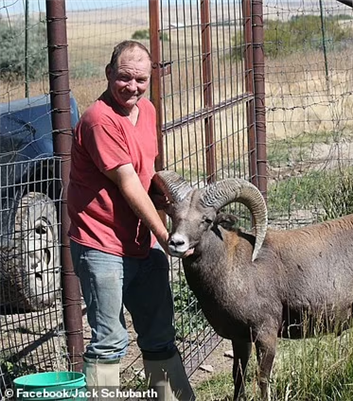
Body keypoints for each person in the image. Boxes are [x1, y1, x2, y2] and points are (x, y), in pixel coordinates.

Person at [67, 40, 195, 401]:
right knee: (109, 341)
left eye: (141, 79)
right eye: (124, 78)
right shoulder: (99, 120)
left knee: (159, 334)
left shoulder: (147, 110)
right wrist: (164, 233)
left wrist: (172, 206)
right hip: (101, 242)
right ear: (109, 74)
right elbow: (127, 184)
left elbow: (146, 173)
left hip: (140, 242)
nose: (133, 87)